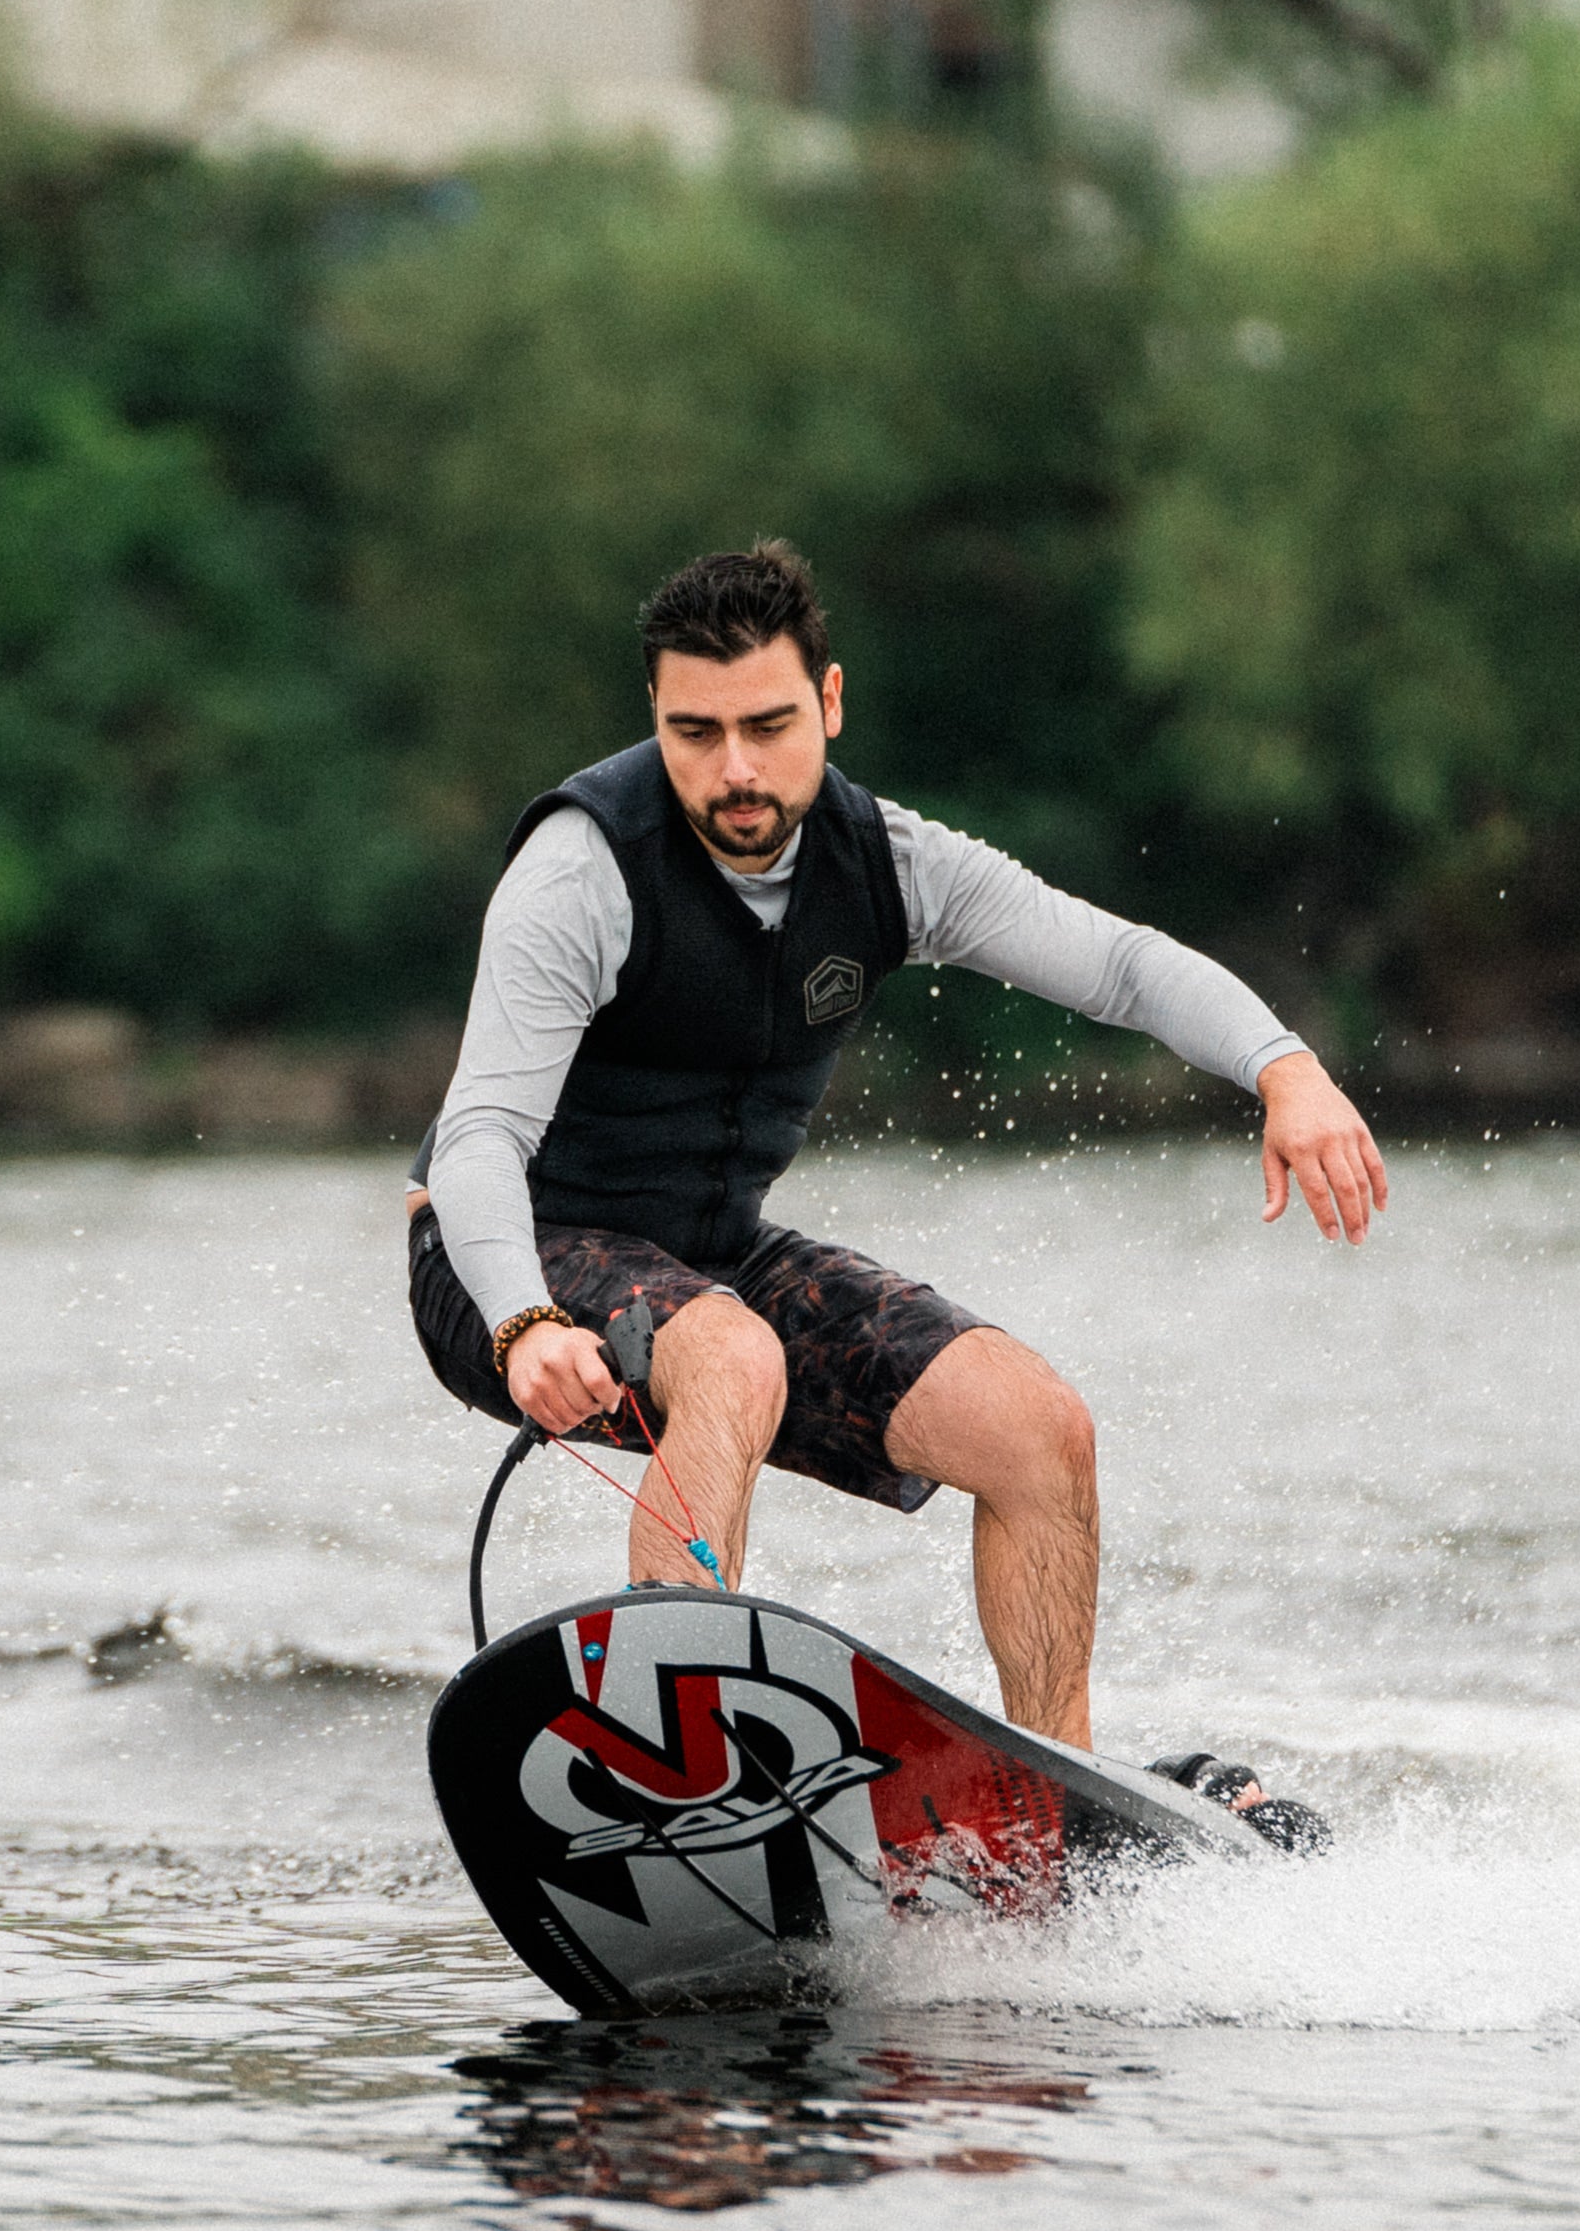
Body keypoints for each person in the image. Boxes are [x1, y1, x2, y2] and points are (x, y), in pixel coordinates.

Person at [402, 541, 1387, 1817]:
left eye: (767, 724)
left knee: (1040, 1432)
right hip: (504, 1256)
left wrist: (1283, 1066)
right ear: (656, 717)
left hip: (711, 1255)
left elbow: (1123, 966)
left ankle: (1065, 1805)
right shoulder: (583, 870)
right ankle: (668, 1755)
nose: (735, 769)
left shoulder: (894, 866)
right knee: (732, 1356)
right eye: (694, 733)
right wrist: (524, 1318)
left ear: (831, 702)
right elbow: (480, 1140)